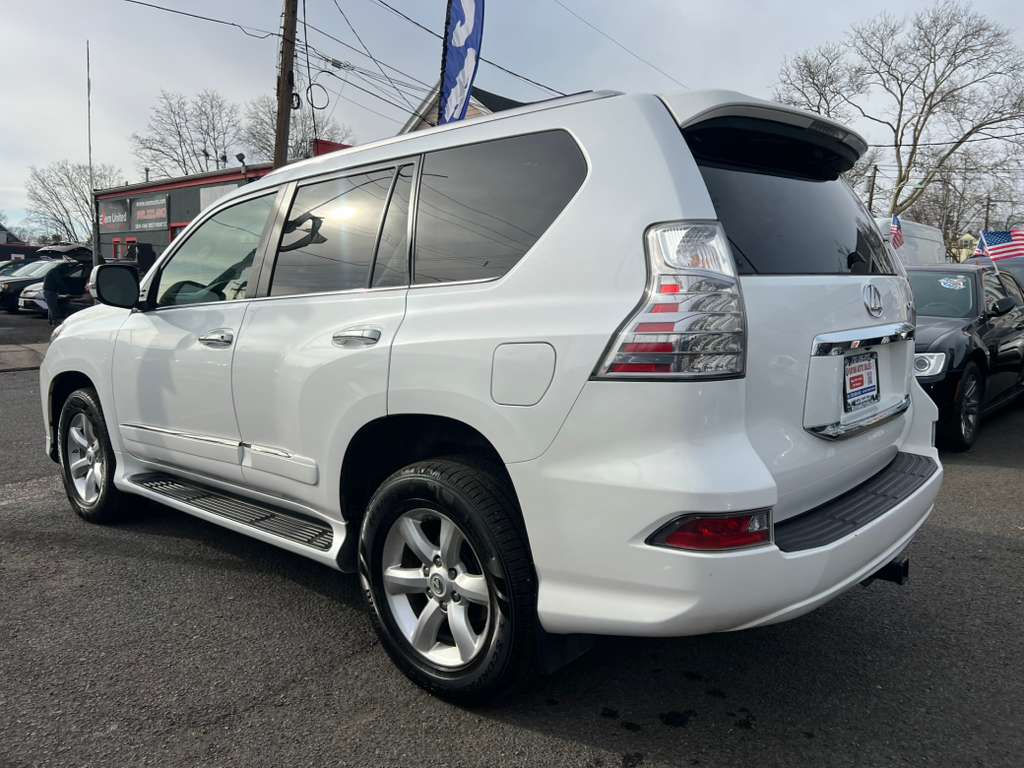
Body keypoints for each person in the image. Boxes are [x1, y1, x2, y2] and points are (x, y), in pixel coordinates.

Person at [42, 257, 76, 326]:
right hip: (50, 291)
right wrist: (65, 289)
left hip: (49, 291)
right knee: (53, 307)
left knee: (51, 306)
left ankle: (51, 321)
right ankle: (55, 321)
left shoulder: (54, 271)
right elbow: (59, 281)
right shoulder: (55, 272)